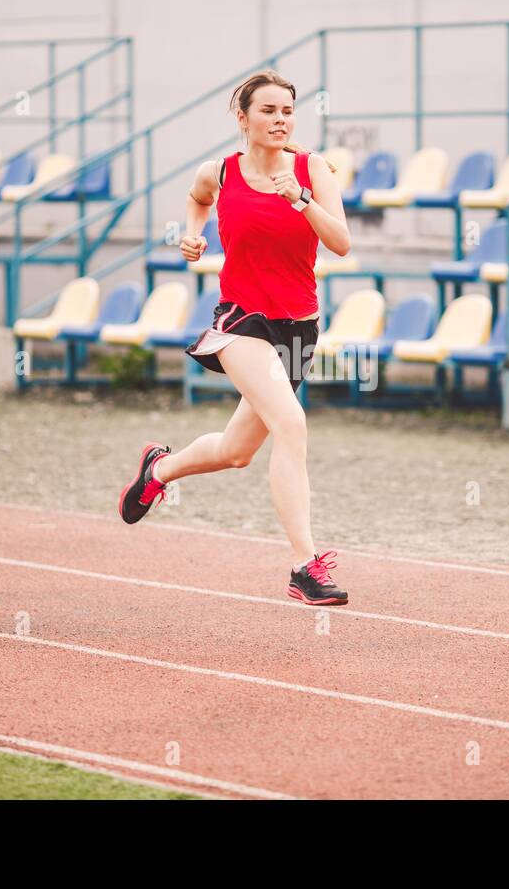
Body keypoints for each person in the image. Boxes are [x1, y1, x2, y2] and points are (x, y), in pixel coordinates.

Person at [118, 69, 353, 606]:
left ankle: (160, 469)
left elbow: (340, 242)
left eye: (287, 111)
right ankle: (304, 566)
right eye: (268, 111)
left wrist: (301, 200)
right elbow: (197, 200)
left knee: (236, 451)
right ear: (243, 118)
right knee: (291, 425)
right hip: (242, 321)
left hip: (299, 326)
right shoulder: (220, 172)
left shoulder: (312, 169)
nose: (279, 120)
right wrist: (193, 233)